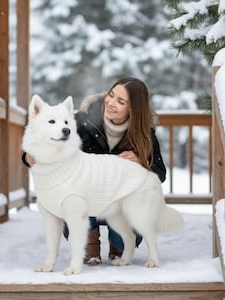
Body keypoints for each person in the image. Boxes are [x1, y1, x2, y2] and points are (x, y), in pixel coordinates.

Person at [22, 77, 166, 265]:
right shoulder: (81, 121)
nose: (111, 103)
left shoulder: (144, 132)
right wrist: (28, 157)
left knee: (124, 235)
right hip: (87, 195)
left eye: (120, 101)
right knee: (76, 204)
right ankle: (90, 244)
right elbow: (46, 140)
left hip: (121, 194)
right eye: (111, 95)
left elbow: (159, 173)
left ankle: (121, 247)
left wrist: (141, 161)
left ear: (133, 109)